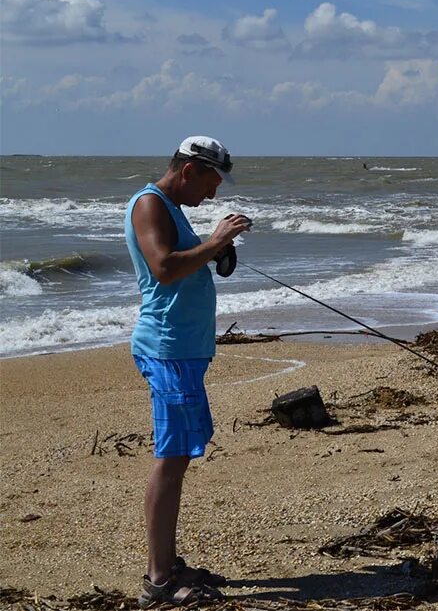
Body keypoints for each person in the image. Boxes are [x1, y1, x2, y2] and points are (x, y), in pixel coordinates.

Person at [124, 136, 252, 607]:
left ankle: (169, 562)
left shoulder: (172, 208)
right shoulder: (149, 204)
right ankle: (159, 580)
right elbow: (162, 268)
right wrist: (216, 240)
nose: (213, 194)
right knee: (172, 457)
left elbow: (184, 264)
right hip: (166, 348)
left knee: (180, 453)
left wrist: (216, 251)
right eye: (210, 182)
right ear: (188, 170)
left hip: (185, 349)